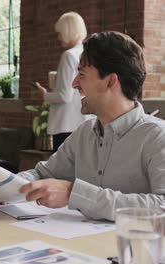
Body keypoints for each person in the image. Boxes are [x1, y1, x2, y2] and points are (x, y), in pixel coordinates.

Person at [18, 31, 165, 221]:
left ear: (111, 81)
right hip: (77, 245)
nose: (74, 83)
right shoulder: (84, 133)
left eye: (81, 74)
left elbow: (162, 206)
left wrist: (75, 193)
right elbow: (42, 174)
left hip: (130, 249)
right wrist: (2, 185)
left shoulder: (157, 137)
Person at [33, 12, 92, 151]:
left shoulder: (69, 56)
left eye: (60, 33)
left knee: (63, 172)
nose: (58, 37)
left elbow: (64, 96)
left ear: (68, 31)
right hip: (83, 122)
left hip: (66, 125)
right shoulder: (87, 54)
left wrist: (45, 94)